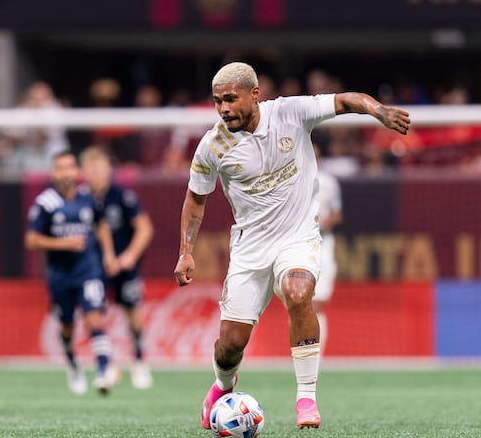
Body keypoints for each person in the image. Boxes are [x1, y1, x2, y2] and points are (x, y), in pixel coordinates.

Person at [173, 62, 409, 430]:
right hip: (250, 248)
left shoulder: (290, 113)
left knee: (298, 293)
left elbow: (346, 101)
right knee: (230, 344)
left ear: (255, 95)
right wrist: (186, 251)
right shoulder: (212, 145)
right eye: (218, 101)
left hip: (298, 237)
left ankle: (306, 398)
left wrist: (379, 111)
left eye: (230, 99)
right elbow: (196, 200)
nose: (223, 109)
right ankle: (222, 385)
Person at [25, 151, 120, 395]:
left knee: (94, 317)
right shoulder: (45, 203)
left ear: (76, 171)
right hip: (59, 275)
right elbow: (31, 240)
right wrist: (63, 244)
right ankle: (73, 365)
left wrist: (109, 255)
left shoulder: (88, 198)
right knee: (66, 327)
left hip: (87, 270)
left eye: (70, 167)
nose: (66, 173)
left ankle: (102, 371)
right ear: (53, 173)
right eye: (60, 168)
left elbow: (101, 226)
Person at [79, 146, 155, 389]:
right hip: (93, 267)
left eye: (100, 169)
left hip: (123, 266)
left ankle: (140, 361)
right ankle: (106, 365)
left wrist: (130, 256)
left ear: (109, 170)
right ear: (84, 173)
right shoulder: (80, 199)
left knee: (133, 313)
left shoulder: (122, 196)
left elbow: (145, 228)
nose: (97, 175)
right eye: (92, 170)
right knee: (94, 313)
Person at [313, 146, 342, 349]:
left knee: (317, 303)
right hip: (296, 244)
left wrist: (322, 223)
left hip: (323, 243)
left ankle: (315, 356)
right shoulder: (288, 179)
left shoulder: (328, 182)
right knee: (299, 305)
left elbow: (336, 213)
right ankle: (302, 354)